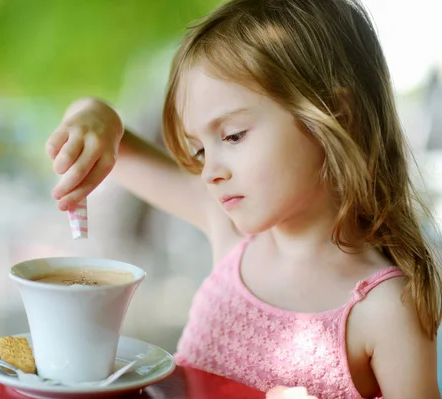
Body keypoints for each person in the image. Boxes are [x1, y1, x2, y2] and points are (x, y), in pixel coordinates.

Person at [45, 0, 442, 397]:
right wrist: (91, 115)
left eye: (233, 135)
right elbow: (111, 142)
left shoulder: (386, 309)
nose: (209, 170)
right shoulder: (231, 230)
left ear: (335, 116)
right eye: (199, 150)